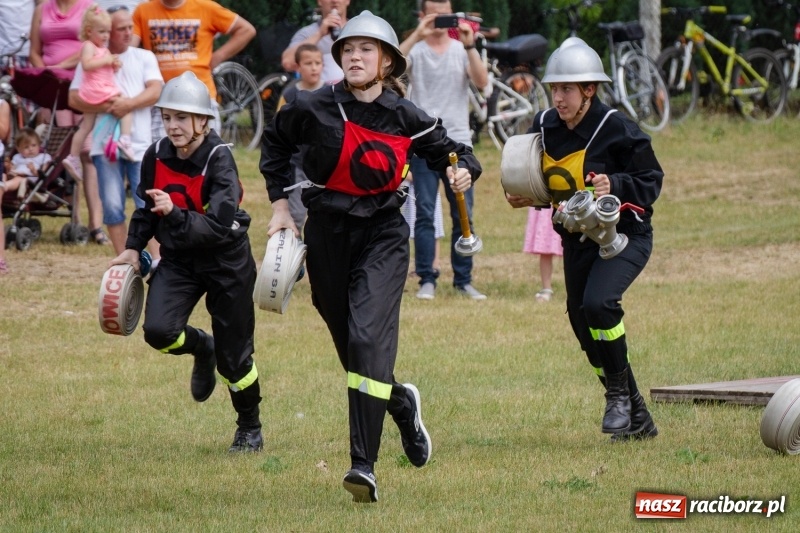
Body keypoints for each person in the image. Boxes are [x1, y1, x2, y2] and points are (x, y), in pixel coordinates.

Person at [260, 11, 481, 503]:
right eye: (348, 49)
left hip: (383, 235)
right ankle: (400, 403)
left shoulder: (406, 116)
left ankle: (363, 465)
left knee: (366, 339)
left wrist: (463, 170)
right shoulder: (311, 106)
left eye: (366, 49)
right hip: (326, 235)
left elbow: (455, 154)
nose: (354, 56)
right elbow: (275, 144)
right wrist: (280, 207)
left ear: (386, 63)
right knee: (352, 347)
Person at [505, 37, 663, 441]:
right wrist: (527, 196)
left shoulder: (617, 128)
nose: (558, 98)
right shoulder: (544, 126)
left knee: (598, 304)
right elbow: (547, 185)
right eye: (554, 89)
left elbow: (651, 180)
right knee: (581, 322)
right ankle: (636, 412)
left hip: (624, 237)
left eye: (567, 89)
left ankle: (617, 397)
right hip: (576, 242)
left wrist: (617, 184)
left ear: (589, 90)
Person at [109, 71, 262, 453]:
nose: (173, 125)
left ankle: (249, 427)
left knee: (234, 358)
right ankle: (201, 347)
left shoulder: (219, 158)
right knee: (158, 332)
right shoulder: (155, 153)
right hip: (179, 259)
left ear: (202, 121)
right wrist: (133, 247)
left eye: (181, 117)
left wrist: (175, 214)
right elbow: (146, 208)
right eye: (167, 117)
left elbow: (219, 225)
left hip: (226, 261)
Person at [400, 0, 489, 301]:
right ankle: (427, 278)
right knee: (424, 212)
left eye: (444, 13)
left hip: (458, 144)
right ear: (423, 15)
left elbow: (482, 82)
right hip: (423, 144)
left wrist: (470, 45)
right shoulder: (417, 50)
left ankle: (464, 280)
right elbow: (389, 66)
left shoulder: (460, 49)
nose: (439, 19)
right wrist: (418, 34)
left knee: (463, 213)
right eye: (433, 14)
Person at [68, 4, 163, 257]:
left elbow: (156, 91)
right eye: (121, 28)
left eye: (130, 27)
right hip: (104, 146)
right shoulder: (93, 58)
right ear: (108, 30)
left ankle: (158, 260)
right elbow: (73, 99)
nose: (128, 32)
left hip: (139, 145)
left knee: (148, 204)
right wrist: (107, 107)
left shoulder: (144, 57)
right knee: (112, 206)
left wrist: (127, 104)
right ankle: (124, 258)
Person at [29, 0, 108, 245]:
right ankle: (74, 218)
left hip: (84, 88)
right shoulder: (42, 9)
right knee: (59, 153)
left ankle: (96, 224)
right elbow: (34, 51)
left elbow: (92, 46)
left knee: (88, 154)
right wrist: (46, 76)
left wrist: (60, 67)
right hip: (53, 89)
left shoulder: (89, 7)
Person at [131, 0, 256, 136]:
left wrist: (217, 57)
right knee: (162, 149)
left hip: (199, 97)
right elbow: (128, 49)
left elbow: (246, 30)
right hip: (162, 100)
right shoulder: (143, 10)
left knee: (205, 148)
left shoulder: (205, 7)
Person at [63, 4, 134, 183]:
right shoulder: (88, 46)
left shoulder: (104, 49)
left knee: (86, 127)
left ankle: (72, 157)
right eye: (101, 32)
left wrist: (114, 64)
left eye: (108, 32)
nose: (106, 36)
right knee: (125, 106)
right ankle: (125, 140)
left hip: (94, 90)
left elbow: (105, 67)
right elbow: (87, 64)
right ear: (89, 31)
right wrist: (107, 60)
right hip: (97, 89)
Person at [275, 43, 324, 233]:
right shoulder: (289, 95)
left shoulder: (331, 93)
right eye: (308, 63)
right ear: (298, 67)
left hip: (324, 164)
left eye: (318, 63)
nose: (314, 68)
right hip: (297, 164)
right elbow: (278, 129)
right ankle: (293, 249)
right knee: (296, 213)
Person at [281, 0, 348, 84]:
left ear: (348, 1)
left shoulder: (358, 29)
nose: (334, 1)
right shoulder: (307, 33)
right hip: (320, 91)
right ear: (319, 1)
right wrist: (319, 34)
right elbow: (288, 63)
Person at [399, 175, 445, 281]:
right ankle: (419, 265)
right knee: (415, 230)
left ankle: (435, 264)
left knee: (433, 227)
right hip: (410, 193)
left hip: (428, 191)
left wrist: (411, 175)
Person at [523, 206, 562, 302]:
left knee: (574, 250)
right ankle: (546, 288)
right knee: (545, 247)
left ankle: (577, 288)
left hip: (567, 203)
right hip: (546, 204)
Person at [3, 127, 53, 199]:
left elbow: (43, 175)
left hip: (30, 179)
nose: (31, 149)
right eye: (26, 147)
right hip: (15, 175)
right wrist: (8, 167)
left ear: (39, 145)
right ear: (19, 149)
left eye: (34, 145)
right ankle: (11, 187)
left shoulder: (43, 157)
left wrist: (33, 170)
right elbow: (12, 169)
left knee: (19, 179)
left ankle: (4, 187)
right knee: (3, 175)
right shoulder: (17, 157)